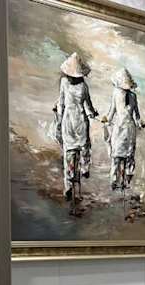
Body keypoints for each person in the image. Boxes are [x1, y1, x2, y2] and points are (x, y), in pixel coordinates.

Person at [53, 52, 98, 205]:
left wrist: (59, 119)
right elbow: (88, 106)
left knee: (68, 154)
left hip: (68, 122)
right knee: (85, 147)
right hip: (80, 121)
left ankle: (68, 186)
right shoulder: (83, 86)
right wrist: (93, 113)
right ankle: (85, 168)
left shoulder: (64, 83)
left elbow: (61, 103)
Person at [101, 67, 145, 191]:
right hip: (122, 128)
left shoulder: (129, 96)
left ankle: (123, 179)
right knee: (120, 156)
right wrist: (107, 119)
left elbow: (136, 115)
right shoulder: (119, 94)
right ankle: (117, 180)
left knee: (125, 156)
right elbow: (113, 112)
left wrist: (140, 123)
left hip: (126, 129)